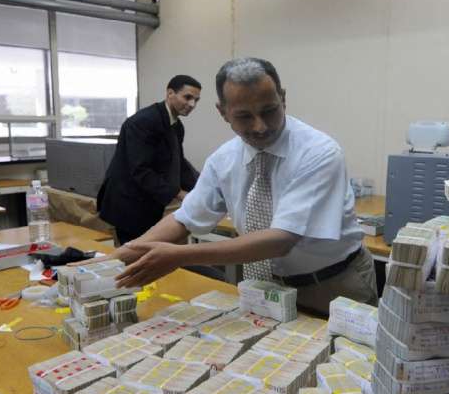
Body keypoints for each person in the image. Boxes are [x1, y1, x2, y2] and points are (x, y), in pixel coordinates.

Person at [79, 57, 377, 314]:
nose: (260, 126)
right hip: (266, 287)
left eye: (270, 110)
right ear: (223, 112)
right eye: (244, 116)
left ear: (283, 98)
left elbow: (281, 239)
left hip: (332, 285)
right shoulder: (224, 160)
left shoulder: (319, 152)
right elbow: (185, 219)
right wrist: (112, 261)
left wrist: (178, 256)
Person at [97, 75, 202, 244]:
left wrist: (204, 185)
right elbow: (140, 170)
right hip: (128, 204)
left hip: (149, 203)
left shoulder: (176, 125)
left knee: (149, 251)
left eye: (196, 100)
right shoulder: (143, 122)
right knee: (135, 254)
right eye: (187, 97)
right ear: (170, 93)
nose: (192, 104)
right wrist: (179, 193)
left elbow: (178, 163)